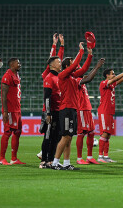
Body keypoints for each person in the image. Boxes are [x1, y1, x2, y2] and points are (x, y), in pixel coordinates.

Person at [51, 43, 93, 170]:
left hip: (73, 109)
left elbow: (84, 69)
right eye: (72, 62)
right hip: (66, 109)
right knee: (65, 137)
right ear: (67, 66)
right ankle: (55, 163)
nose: (76, 64)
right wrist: (81, 51)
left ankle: (66, 163)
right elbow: (76, 65)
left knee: (69, 138)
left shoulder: (73, 77)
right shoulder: (62, 75)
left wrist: (90, 55)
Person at [97, 66, 123, 163]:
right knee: (104, 133)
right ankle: (100, 156)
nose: (114, 75)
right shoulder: (103, 83)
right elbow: (118, 78)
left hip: (110, 112)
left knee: (108, 135)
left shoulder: (111, 85)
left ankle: (106, 156)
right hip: (104, 111)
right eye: (112, 73)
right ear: (107, 75)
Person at [39, 33, 64, 168]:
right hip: (50, 111)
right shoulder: (48, 76)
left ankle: (50, 160)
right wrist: (55, 44)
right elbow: (46, 97)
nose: (60, 63)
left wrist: (62, 45)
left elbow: (55, 59)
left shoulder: (58, 76)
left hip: (58, 110)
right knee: (48, 137)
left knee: (56, 137)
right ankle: (44, 160)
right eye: (58, 62)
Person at [76, 57, 106, 165]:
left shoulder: (81, 80)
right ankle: (79, 158)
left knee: (91, 132)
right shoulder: (76, 80)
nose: (82, 70)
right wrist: (97, 66)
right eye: (79, 69)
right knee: (81, 133)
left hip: (87, 109)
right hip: (81, 110)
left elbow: (87, 76)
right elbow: (89, 79)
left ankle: (89, 157)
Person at [0, 57, 25, 165]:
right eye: (17, 63)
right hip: (9, 110)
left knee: (17, 132)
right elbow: (3, 95)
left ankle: (14, 158)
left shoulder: (16, 75)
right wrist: (5, 111)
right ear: (12, 64)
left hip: (17, 109)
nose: (19, 64)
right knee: (7, 132)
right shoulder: (7, 76)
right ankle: (1, 158)